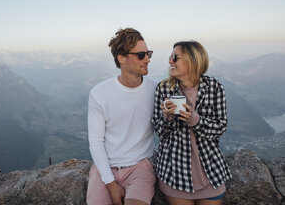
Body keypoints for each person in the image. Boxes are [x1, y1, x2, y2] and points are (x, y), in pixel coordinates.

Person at [152, 41, 232, 205]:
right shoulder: (163, 89)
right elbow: (159, 132)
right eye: (170, 57)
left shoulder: (214, 87)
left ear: (193, 60)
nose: (170, 61)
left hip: (210, 172)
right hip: (175, 173)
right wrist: (167, 118)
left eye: (175, 57)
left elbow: (221, 126)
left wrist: (195, 120)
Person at [86, 28, 158, 205]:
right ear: (121, 58)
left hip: (141, 166)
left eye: (148, 53)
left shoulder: (157, 90)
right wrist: (110, 183)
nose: (148, 59)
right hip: (106, 168)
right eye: (141, 55)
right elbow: (96, 142)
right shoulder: (99, 94)